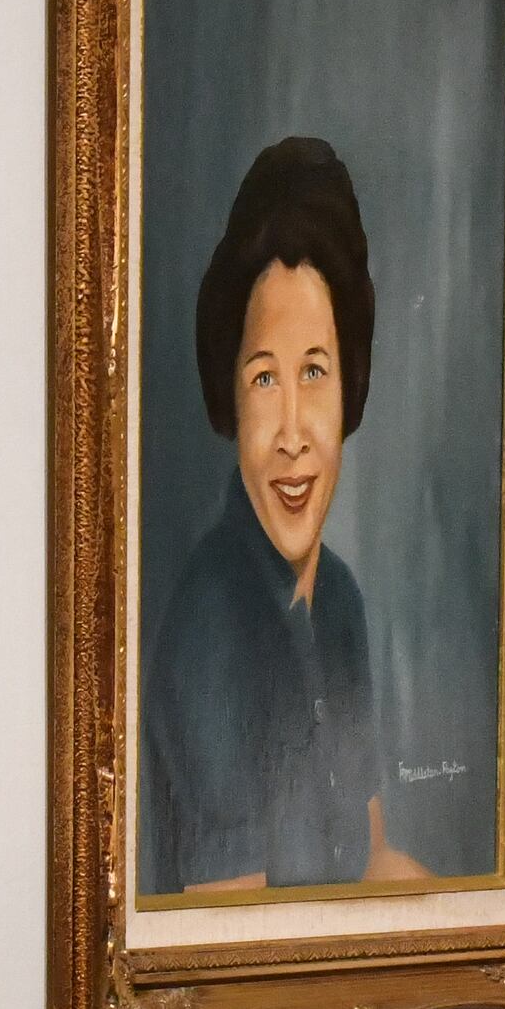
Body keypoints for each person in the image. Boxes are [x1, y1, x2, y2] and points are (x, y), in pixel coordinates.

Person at [138, 135, 430, 895]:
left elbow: (368, 866)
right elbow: (237, 950)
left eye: (315, 372)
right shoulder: (209, 631)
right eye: (265, 377)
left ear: (351, 387)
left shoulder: (339, 603)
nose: (295, 431)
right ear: (229, 395)